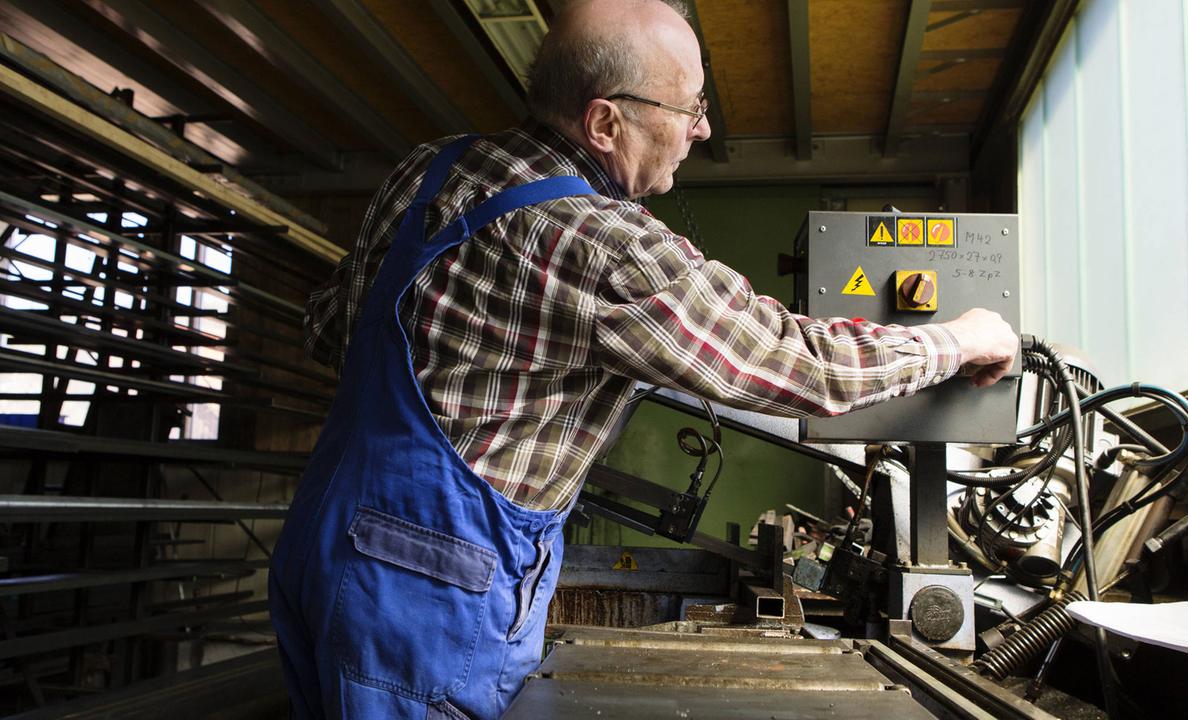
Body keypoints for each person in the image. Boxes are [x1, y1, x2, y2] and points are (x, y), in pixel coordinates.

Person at [267, 0, 1019, 717]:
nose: (702, 128)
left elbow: (331, 327)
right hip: (428, 590)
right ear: (605, 122)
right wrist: (957, 340)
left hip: (318, 544)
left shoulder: (427, 170)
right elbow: (797, 364)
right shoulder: (599, 243)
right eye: (690, 108)